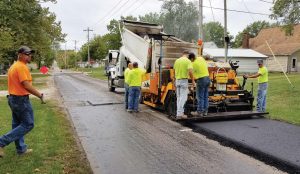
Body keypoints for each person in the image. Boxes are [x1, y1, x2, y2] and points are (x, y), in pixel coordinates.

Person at [0, 46, 45, 157]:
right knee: (28, 124)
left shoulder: (14, 66)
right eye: (27, 53)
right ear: (19, 54)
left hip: (13, 98)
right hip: (20, 100)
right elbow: (26, 85)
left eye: (30, 53)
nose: (29, 55)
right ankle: (1, 142)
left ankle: (21, 149)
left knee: (17, 125)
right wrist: (39, 95)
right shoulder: (21, 67)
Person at [173, 50, 195, 119]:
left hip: (177, 80)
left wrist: (174, 80)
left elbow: (174, 71)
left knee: (179, 97)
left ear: (182, 54)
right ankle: (179, 114)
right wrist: (193, 81)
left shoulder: (177, 61)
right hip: (183, 80)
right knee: (183, 98)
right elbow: (191, 72)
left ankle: (179, 113)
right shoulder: (188, 61)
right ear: (188, 55)